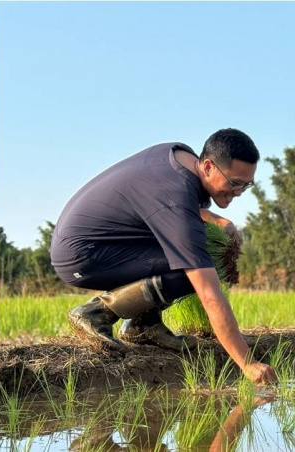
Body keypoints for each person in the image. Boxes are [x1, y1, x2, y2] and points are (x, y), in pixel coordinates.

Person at [51, 128, 277, 385]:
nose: (238, 192)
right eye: (234, 183)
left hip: (108, 240)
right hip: (83, 255)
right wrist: (247, 363)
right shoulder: (176, 194)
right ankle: (97, 312)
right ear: (208, 166)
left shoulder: (181, 156)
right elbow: (210, 295)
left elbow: (167, 204)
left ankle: (143, 326)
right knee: (198, 270)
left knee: (193, 257)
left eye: (246, 184)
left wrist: (215, 218)